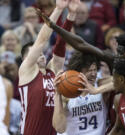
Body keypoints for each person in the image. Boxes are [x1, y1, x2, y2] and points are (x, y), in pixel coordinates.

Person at [18, 0, 80, 134]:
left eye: (41, 53)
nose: (40, 54)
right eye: (35, 53)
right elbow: (42, 40)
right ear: (25, 60)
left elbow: (60, 44)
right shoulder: (26, 72)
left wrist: (71, 15)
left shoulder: (52, 71)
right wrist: (57, 9)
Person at [53, 51, 109, 135]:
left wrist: (96, 90)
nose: (93, 74)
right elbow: (60, 128)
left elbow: (123, 82)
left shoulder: (100, 85)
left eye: (95, 70)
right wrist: (57, 95)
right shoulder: (67, 93)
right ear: (77, 73)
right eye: (89, 71)